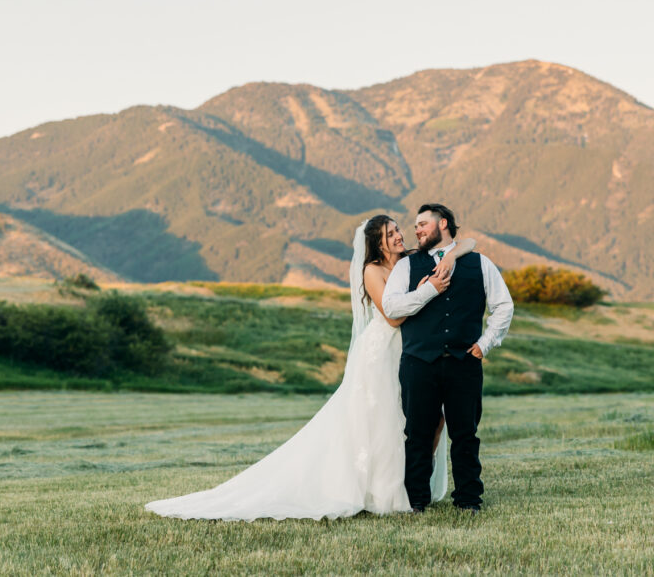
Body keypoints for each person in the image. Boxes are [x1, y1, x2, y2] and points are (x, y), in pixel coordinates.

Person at [144, 215, 476, 521]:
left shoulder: (410, 262)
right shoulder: (373, 271)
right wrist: (427, 291)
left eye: (397, 229)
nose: (399, 235)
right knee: (385, 419)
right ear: (377, 243)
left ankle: (413, 484)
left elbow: (467, 244)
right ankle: (388, 492)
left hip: (412, 350)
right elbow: (392, 316)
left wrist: (448, 258)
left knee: (424, 418)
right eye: (390, 233)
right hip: (381, 351)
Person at [382, 203, 513, 514]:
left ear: (442, 224)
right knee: (417, 434)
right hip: (418, 362)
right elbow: (392, 307)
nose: (416, 230)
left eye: (422, 224)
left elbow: (503, 306)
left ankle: (468, 500)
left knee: (465, 434)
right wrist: (428, 290)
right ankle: (416, 500)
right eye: (414, 226)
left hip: (464, 362)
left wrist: (485, 343)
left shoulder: (480, 264)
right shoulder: (406, 267)